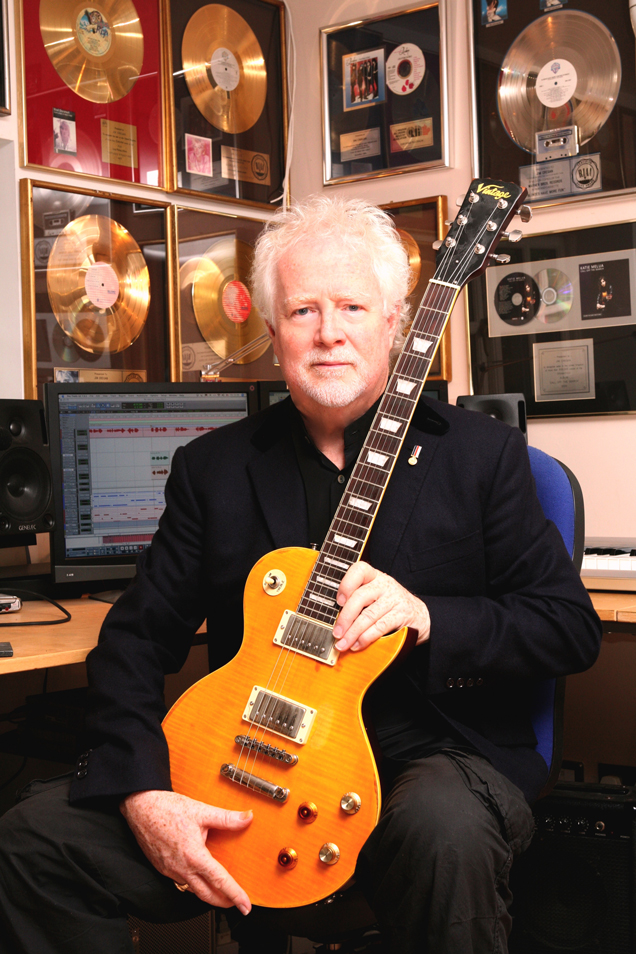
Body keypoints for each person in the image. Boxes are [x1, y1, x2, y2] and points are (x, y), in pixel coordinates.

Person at [0, 196, 602, 954]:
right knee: (35, 838)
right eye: (303, 310)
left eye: (352, 306)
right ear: (271, 326)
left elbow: (567, 628)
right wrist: (145, 792)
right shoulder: (212, 470)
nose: (328, 333)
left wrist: (427, 616)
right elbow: (133, 645)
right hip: (248, 769)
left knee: (443, 831)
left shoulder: (482, 457)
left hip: (426, 759)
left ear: (395, 321)